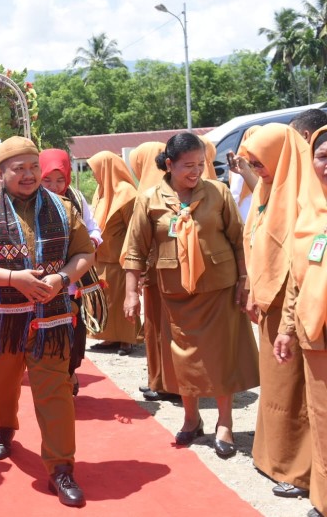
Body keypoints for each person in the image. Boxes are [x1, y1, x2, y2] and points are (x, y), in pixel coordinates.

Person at [0, 136, 95, 508]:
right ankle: (4, 425)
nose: (29, 174)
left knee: (55, 388)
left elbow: (85, 252)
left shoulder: (64, 209)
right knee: (3, 380)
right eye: (20, 168)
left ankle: (61, 468)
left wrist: (61, 279)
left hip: (53, 314)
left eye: (34, 166)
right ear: (0, 173)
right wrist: (13, 279)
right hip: (0, 316)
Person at [123, 132, 259, 457]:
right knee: (184, 359)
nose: (196, 171)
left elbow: (239, 240)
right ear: (169, 165)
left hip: (219, 289)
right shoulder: (150, 200)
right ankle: (191, 419)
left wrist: (244, 280)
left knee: (221, 355)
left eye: (201, 164)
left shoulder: (218, 194)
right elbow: (134, 250)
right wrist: (131, 294)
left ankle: (224, 422)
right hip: (175, 293)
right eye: (188, 165)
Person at [240, 123, 313, 498]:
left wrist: (286, 313)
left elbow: (300, 261)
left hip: (293, 305)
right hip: (269, 301)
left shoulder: (305, 196)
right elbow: (255, 243)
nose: (255, 167)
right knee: (275, 381)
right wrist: (252, 286)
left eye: (259, 161)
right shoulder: (268, 191)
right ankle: (272, 456)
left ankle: (298, 470)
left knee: (294, 385)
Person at [275, 124, 327, 517]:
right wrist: (286, 329)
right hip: (316, 332)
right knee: (323, 417)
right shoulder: (307, 213)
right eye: (323, 156)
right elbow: (297, 278)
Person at [39, 148, 103, 396]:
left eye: (60, 180)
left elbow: (93, 228)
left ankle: (70, 371)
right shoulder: (32, 202)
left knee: (74, 332)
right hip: (43, 280)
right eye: (47, 180)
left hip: (74, 281)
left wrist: (91, 241)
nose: (55, 187)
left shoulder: (76, 197)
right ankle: (54, 379)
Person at [126, 141, 175, 401]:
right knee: (156, 329)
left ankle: (174, 383)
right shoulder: (149, 191)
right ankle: (160, 379)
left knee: (168, 330)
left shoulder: (151, 192)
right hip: (155, 273)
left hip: (167, 273)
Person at [87, 151, 141, 355]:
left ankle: (127, 339)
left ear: (106, 168)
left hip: (121, 258)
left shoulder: (128, 194)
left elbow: (133, 229)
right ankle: (109, 337)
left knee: (123, 299)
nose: (93, 174)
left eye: (95, 169)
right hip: (102, 256)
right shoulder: (101, 190)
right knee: (106, 298)